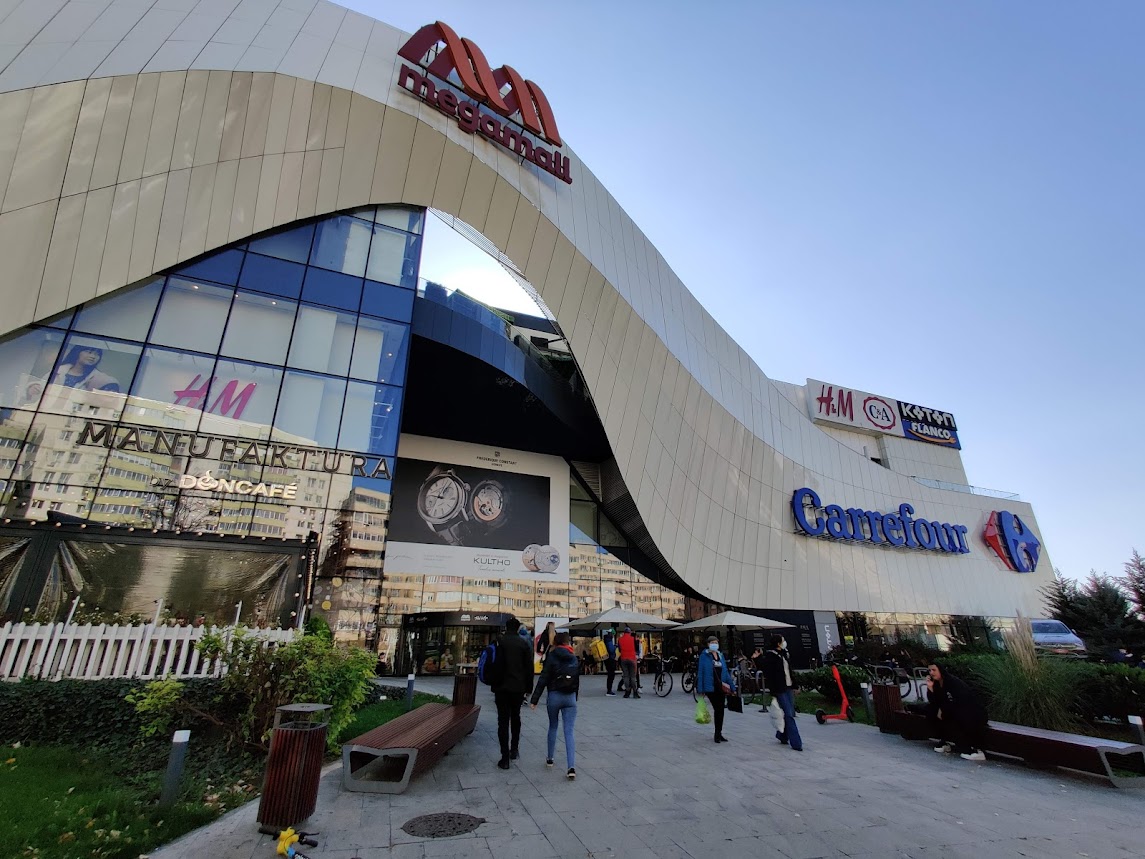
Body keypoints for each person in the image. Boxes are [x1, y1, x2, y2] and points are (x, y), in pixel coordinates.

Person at [530, 631, 579, 779]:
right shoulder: (573, 658)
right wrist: (575, 697)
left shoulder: (551, 657)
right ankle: (571, 767)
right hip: (570, 697)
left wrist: (534, 700)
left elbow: (543, 679)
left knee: (553, 726)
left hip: (554, 696)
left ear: (556, 643)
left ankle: (550, 758)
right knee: (569, 731)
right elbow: (576, 681)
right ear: (567, 643)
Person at [492, 616, 534, 769]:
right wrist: (528, 688)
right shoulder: (524, 644)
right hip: (517, 688)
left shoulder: (500, 642)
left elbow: (494, 663)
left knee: (502, 721)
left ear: (506, 627)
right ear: (517, 628)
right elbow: (529, 668)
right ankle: (514, 750)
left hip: (501, 687)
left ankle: (504, 758)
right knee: (516, 717)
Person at [927, 662, 988, 761]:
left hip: (973, 712)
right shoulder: (937, 684)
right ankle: (945, 741)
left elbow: (961, 701)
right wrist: (931, 689)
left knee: (954, 719)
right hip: (954, 711)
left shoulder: (952, 682)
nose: (931, 673)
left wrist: (943, 710)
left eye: (934, 670)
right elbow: (935, 702)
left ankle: (973, 750)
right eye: (929, 670)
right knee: (932, 712)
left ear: (941, 670)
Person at [760, 634, 803, 751]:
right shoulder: (771, 656)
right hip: (780, 689)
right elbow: (768, 673)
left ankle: (782, 735)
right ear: (778, 643)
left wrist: (795, 685)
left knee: (789, 712)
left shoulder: (785, 654)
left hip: (788, 686)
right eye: (783, 641)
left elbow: (790, 671)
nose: (784, 642)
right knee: (789, 714)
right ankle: (796, 743)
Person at [696, 635, 736, 743]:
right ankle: (717, 734)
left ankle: (719, 732)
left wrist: (732, 686)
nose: (715, 644)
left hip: (721, 686)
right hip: (710, 686)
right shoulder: (704, 656)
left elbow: (725, 672)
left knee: (720, 710)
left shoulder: (720, 655)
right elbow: (700, 672)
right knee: (718, 708)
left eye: (716, 642)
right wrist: (700, 689)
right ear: (708, 644)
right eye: (712, 642)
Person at [52, 346, 121, 392]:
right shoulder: (59, 371)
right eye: (89, 352)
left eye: (97, 354)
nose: (93, 356)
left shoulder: (99, 378)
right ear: (77, 352)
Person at [617, 626, 640, 699]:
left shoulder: (620, 639)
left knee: (626, 676)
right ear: (630, 632)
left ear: (624, 632)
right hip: (632, 659)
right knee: (632, 676)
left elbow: (619, 650)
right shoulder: (633, 639)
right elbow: (636, 649)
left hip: (623, 659)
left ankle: (627, 691)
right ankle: (635, 692)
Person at [603, 629, 618, 696]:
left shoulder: (606, 639)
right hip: (610, 659)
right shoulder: (609, 640)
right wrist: (615, 647)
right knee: (611, 675)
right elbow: (611, 650)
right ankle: (609, 691)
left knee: (610, 675)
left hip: (607, 659)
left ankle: (609, 690)